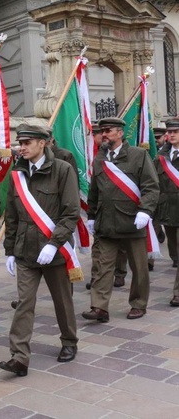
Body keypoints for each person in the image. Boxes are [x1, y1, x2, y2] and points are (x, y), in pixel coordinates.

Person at [0, 125, 80, 377]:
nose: (21, 146)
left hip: (54, 251)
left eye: (27, 142)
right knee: (24, 302)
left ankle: (69, 341)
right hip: (26, 250)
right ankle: (19, 357)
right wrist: (10, 250)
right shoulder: (17, 173)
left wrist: (54, 243)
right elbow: (11, 215)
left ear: (43, 143)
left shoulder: (62, 170)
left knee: (62, 301)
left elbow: (71, 213)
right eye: (20, 142)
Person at [83, 117, 159, 322]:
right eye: (102, 131)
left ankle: (138, 303)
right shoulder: (100, 158)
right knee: (102, 266)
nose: (104, 134)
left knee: (139, 268)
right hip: (106, 223)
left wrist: (145, 211)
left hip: (132, 222)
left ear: (120, 133)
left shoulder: (138, 155)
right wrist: (91, 216)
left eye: (108, 130)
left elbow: (151, 187)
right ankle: (99, 307)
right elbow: (94, 190)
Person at [158, 120, 179, 307]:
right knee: (173, 242)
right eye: (169, 132)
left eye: (175, 131)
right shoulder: (162, 155)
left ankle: (177, 293)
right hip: (167, 207)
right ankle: (175, 258)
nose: (171, 135)